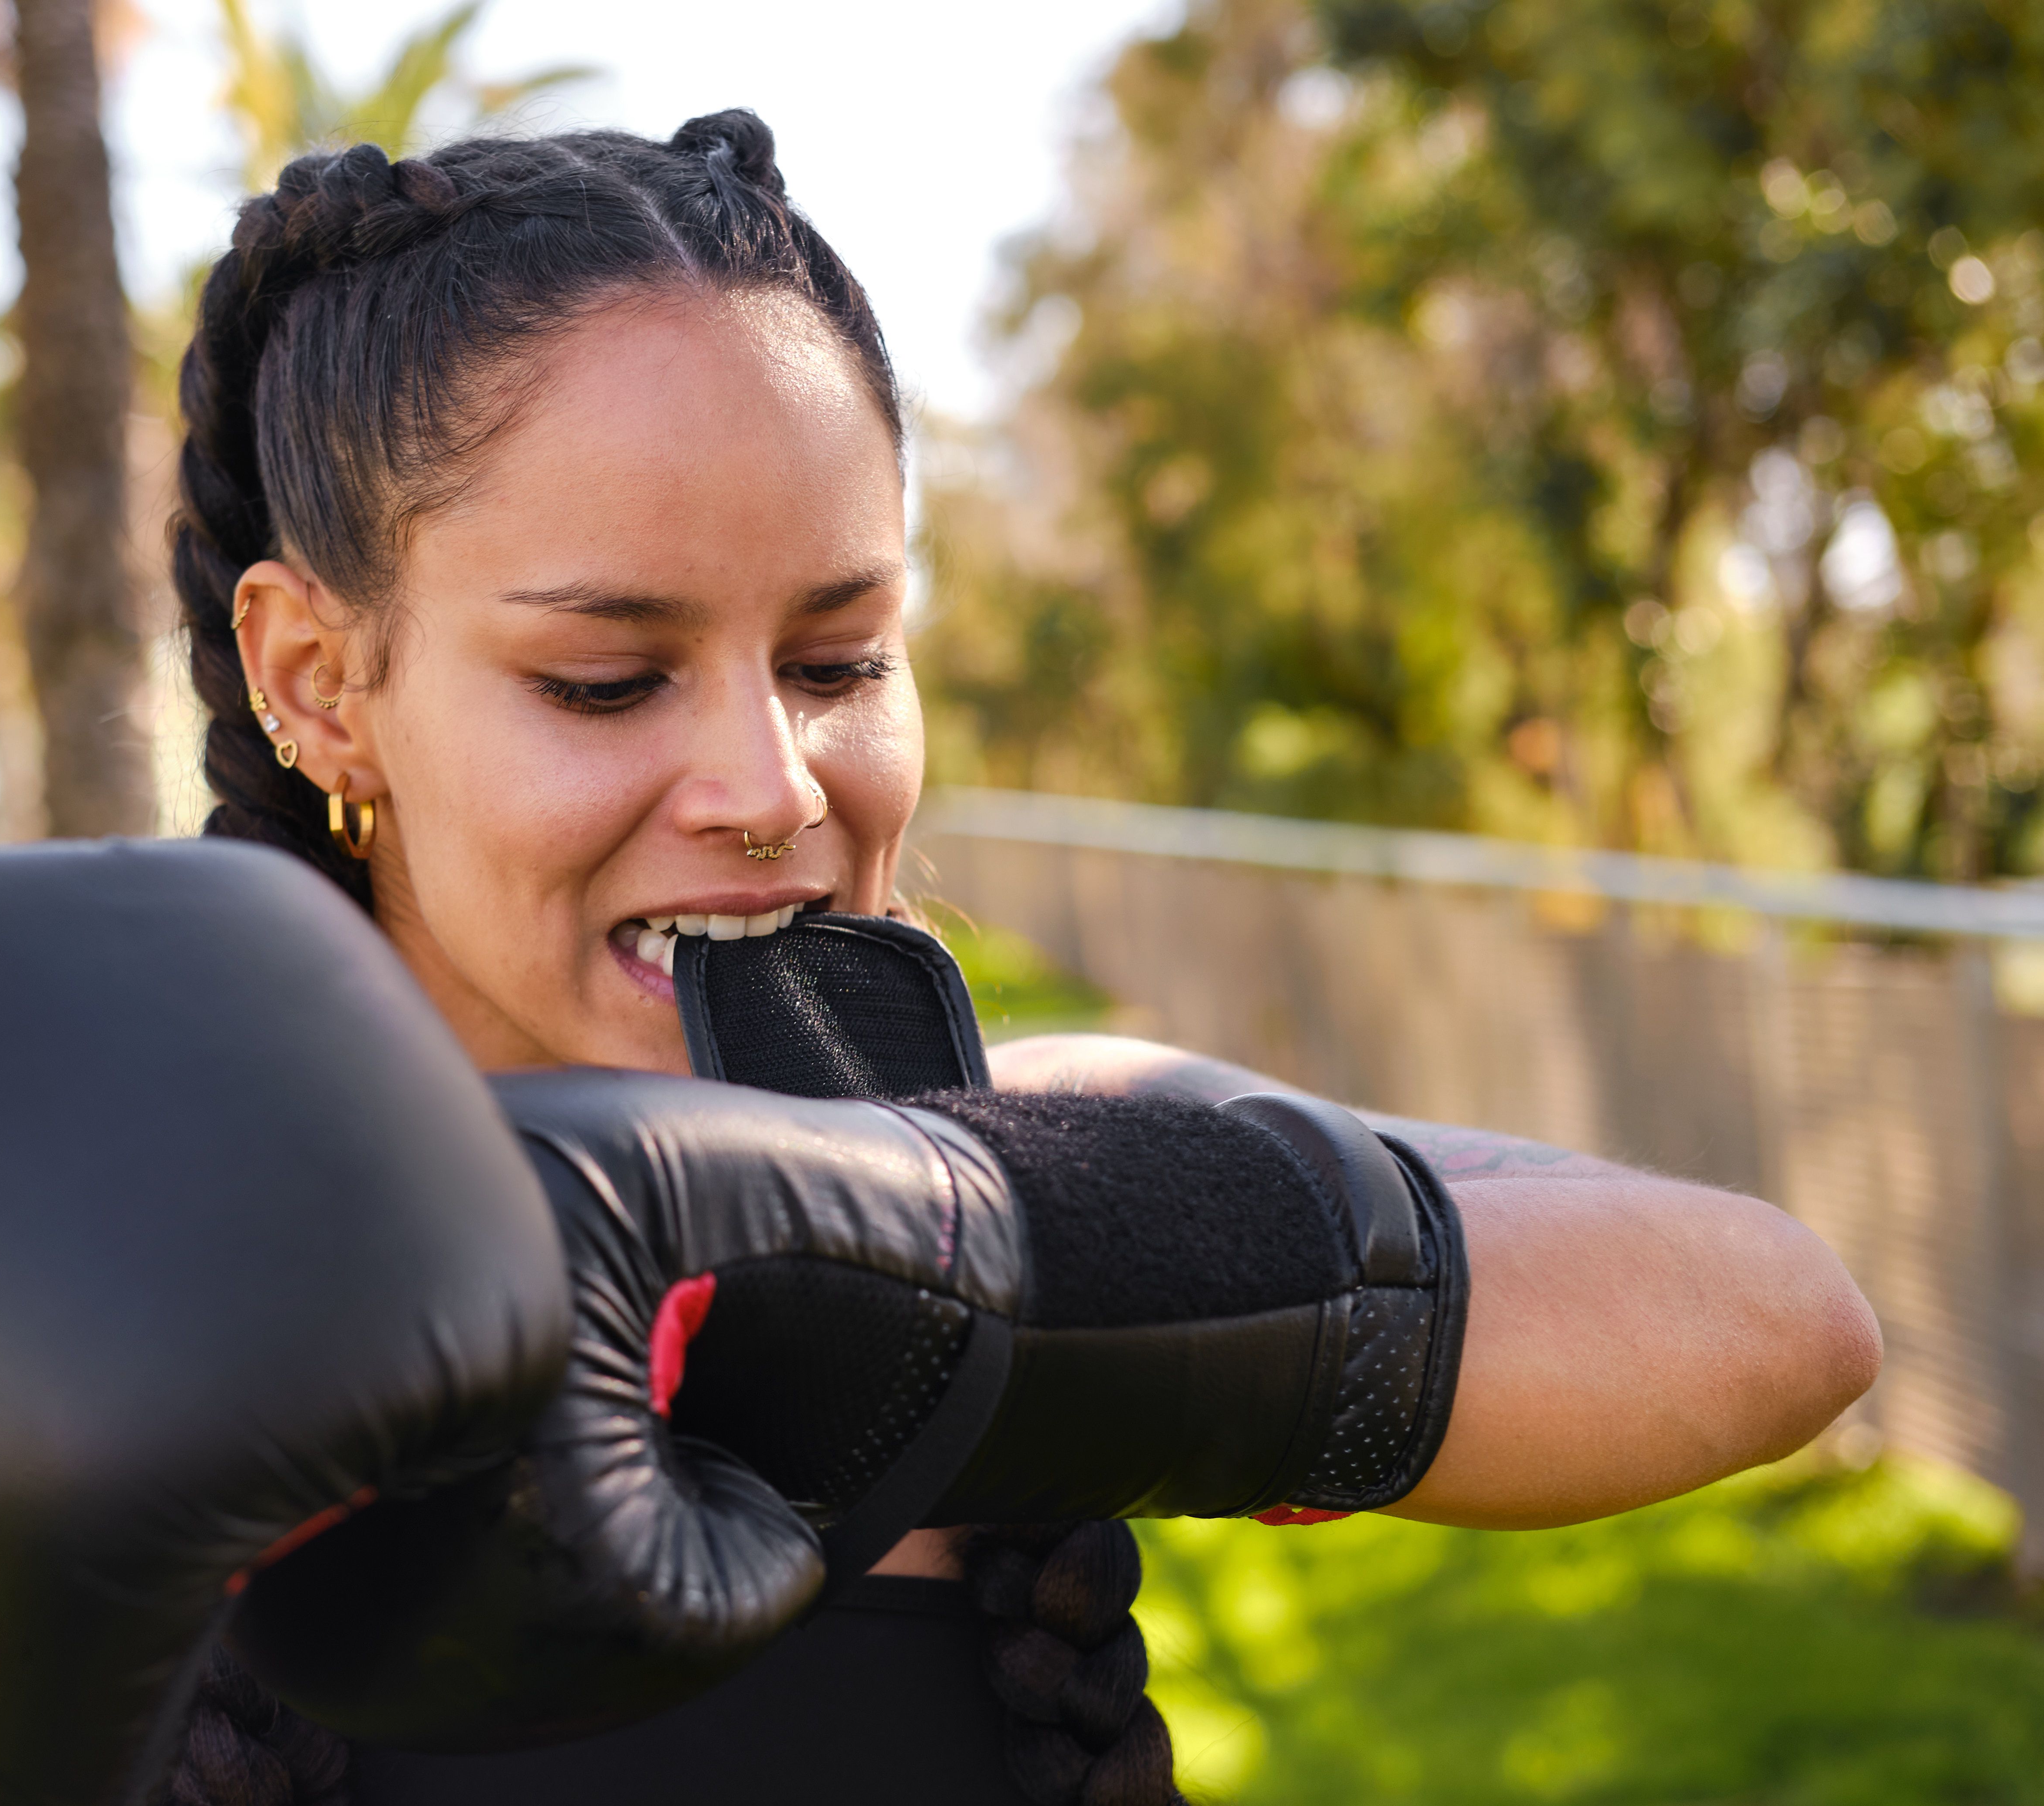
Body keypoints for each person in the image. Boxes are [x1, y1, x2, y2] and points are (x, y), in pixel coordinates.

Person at [163, 111, 1882, 1804]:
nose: (774, 788)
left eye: (837, 659)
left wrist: (970, 1273)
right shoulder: (117, 1264)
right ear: (318, 679)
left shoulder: (1019, 1158)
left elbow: (1778, 1316)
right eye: (606, 680)